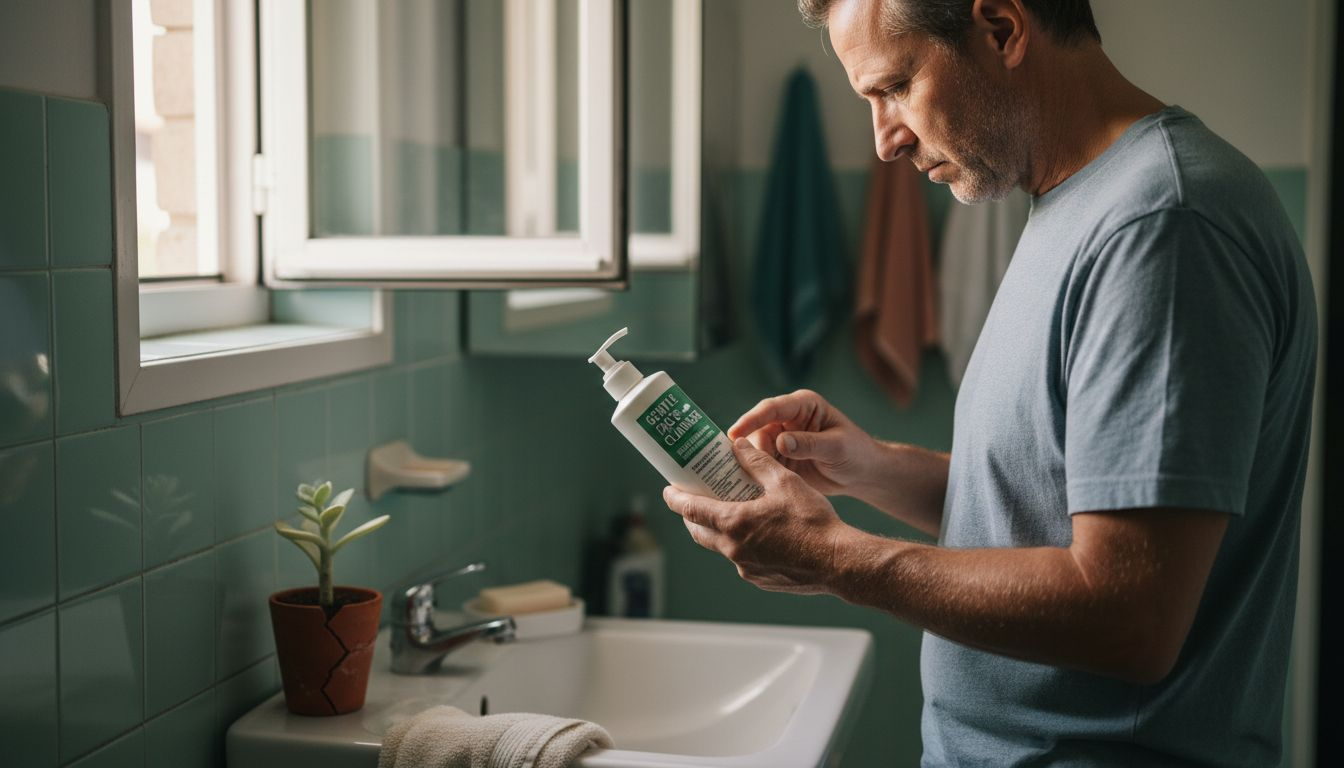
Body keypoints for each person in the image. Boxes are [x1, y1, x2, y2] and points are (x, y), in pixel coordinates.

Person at [659, 0, 1318, 765]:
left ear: (1002, 28)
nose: (884, 139)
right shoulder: (1077, 203)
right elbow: (1047, 512)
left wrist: (834, 557)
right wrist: (870, 467)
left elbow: (1129, 615)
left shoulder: (1164, 226)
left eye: (895, 87)